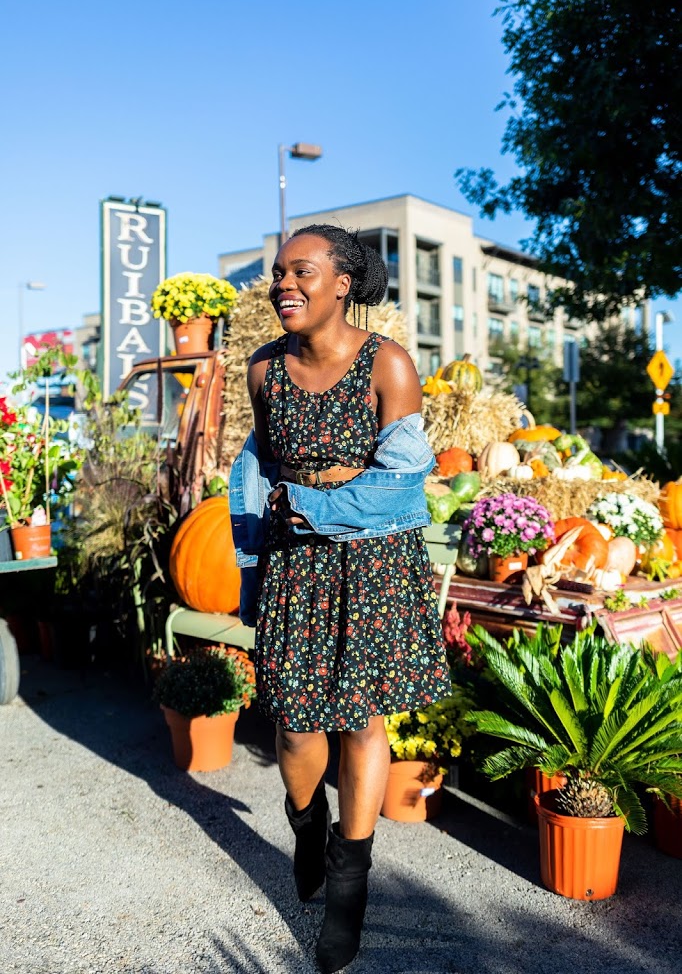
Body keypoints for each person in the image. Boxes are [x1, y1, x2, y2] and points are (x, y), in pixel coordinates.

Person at [234, 224, 451, 974]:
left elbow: (401, 484)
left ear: (342, 284)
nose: (283, 285)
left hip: (374, 562)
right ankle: (305, 827)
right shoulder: (263, 371)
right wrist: (249, 561)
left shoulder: (388, 364)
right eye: (277, 274)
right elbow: (258, 467)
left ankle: (348, 890)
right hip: (297, 564)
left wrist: (318, 507)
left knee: (361, 723)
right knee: (295, 727)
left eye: (301, 272)